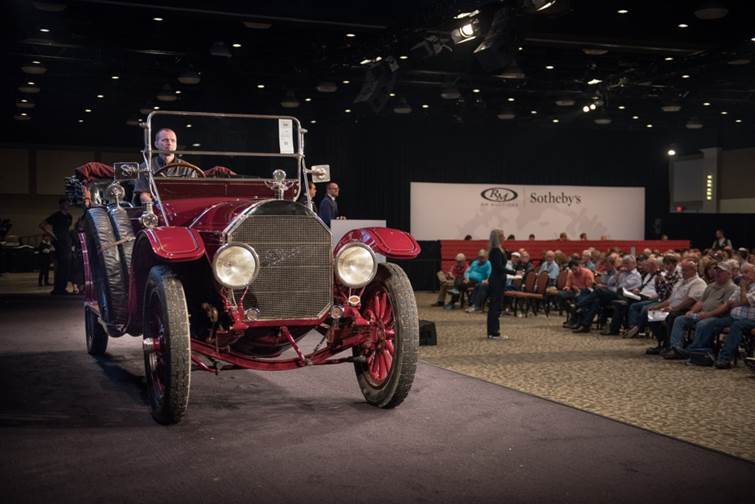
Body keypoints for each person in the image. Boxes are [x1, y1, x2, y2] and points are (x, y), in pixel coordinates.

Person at [681, 262, 755, 368]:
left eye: (746, 272)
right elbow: (729, 303)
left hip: (749, 320)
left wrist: (742, 292)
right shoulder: (741, 286)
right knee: (707, 323)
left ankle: (724, 359)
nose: (743, 275)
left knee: (737, 326)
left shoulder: (741, 286)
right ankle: (698, 353)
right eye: (742, 272)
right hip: (733, 318)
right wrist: (741, 300)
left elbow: (742, 301)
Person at [663, 261, 737, 360]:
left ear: (729, 274)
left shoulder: (732, 288)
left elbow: (725, 307)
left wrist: (707, 314)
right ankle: (676, 348)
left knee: (703, 324)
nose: (717, 273)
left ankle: (692, 351)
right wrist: (692, 311)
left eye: (721, 271)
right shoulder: (711, 286)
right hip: (703, 314)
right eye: (717, 271)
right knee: (680, 319)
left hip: (721, 317)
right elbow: (701, 302)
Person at [645, 260, 707, 355]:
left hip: (684, 310)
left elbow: (690, 300)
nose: (683, 273)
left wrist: (674, 308)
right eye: (682, 270)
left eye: (685, 270)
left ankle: (671, 346)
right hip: (672, 307)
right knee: (651, 314)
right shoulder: (681, 282)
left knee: (671, 316)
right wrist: (657, 307)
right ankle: (663, 342)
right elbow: (671, 299)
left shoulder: (698, 283)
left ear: (694, 270)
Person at [134, 128, 200, 204]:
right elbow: (144, 196)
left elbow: (193, 195)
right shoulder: (145, 167)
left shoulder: (188, 168)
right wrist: (158, 207)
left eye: (173, 140)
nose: (169, 143)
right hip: (157, 210)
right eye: (165, 140)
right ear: (156, 144)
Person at [486, 229, 516, 340]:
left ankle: (493, 332)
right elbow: (499, 267)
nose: (504, 237)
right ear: (498, 237)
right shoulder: (496, 251)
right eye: (503, 235)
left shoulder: (498, 250)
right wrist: (514, 272)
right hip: (497, 280)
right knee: (495, 307)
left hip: (498, 280)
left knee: (496, 306)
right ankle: (494, 333)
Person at [39, 198, 73, 295]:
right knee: (61, 265)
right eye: (66, 203)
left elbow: (66, 228)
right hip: (59, 241)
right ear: (61, 205)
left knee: (67, 265)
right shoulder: (56, 215)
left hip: (67, 240)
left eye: (68, 203)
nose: (68, 205)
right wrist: (52, 234)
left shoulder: (69, 216)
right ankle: (58, 288)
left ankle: (63, 287)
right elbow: (42, 225)